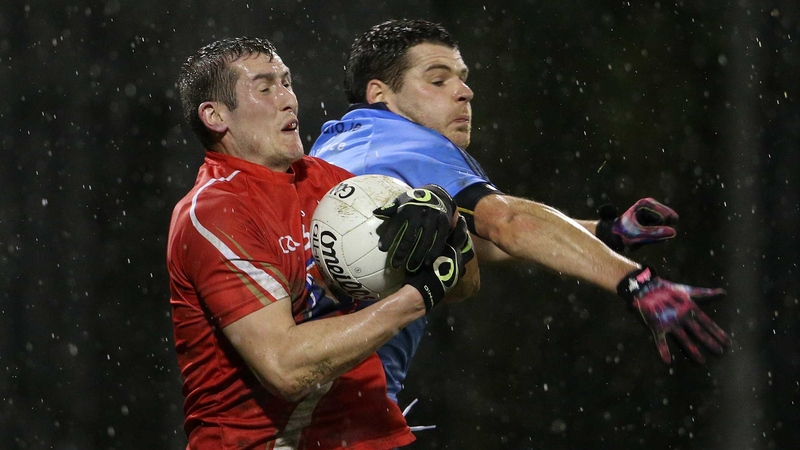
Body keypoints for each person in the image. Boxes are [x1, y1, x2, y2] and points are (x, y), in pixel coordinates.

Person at [310, 19, 731, 404]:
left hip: (299, 385)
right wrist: (635, 281)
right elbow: (506, 222)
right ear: (379, 93)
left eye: (462, 78)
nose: (464, 91)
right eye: (438, 79)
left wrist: (603, 234)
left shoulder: (336, 145)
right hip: (340, 403)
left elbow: (471, 240)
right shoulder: (410, 142)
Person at [167, 36, 479, 450]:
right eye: (265, 88)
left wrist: (445, 220)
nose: (288, 99)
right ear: (215, 115)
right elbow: (284, 368)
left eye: (287, 82)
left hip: (368, 437)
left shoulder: (337, 185)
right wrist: (416, 296)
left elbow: (465, 285)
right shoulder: (213, 213)